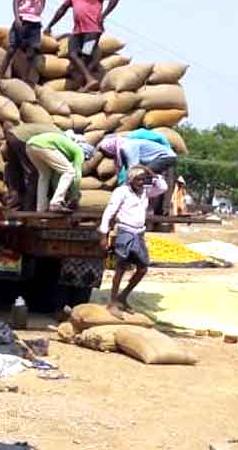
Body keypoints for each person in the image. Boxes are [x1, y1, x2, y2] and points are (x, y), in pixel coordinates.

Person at [99, 165, 168, 316]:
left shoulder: (146, 192)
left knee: (143, 267)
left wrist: (150, 172)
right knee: (121, 267)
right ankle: (112, 302)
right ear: (131, 180)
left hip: (139, 233)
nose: (141, 182)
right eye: (138, 179)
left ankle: (123, 297)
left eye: (143, 179)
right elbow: (109, 212)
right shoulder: (122, 192)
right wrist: (104, 235)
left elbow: (162, 187)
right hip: (125, 232)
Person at [44, 0, 120, 92]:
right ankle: (89, 79)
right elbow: (63, 8)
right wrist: (50, 25)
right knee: (72, 53)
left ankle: (88, 82)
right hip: (77, 31)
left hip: (93, 30)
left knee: (86, 55)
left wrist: (103, 15)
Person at [0, 0, 49, 85]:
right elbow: (15, 0)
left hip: (35, 22)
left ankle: (24, 80)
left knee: (31, 52)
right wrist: (16, 19)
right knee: (11, 49)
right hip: (21, 19)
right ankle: (0, 76)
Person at [25, 130, 91, 213]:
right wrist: (74, 196)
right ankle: (56, 203)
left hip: (30, 144)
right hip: (44, 145)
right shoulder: (79, 151)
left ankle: (41, 208)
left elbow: (55, 179)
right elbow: (77, 176)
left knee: (45, 175)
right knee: (70, 171)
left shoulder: (65, 148)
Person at [3, 122, 60, 210]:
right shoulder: (63, 142)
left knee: (15, 167)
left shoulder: (57, 133)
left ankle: (17, 199)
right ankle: (29, 208)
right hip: (21, 140)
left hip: (12, 136)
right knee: (35, 174)